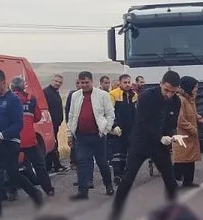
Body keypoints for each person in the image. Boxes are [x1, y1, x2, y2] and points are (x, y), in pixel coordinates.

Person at [107, 70, 182, 220]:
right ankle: (114, 215)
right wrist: (159, 136)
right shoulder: (147, 96)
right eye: (166, 90)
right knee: (127, 179)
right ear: (161, 83)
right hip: (140, 142)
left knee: (170, 180)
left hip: (159, 146)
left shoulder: (176, 101)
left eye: (173, 91)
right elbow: (142, 122)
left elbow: (171, 122)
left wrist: (170, 137)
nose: (169, 94)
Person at [0, 69, 44, 220]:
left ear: (3, 82)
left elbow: (18, 124)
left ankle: (35, 193)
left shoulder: (13, 100)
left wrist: (1, 136)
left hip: (9, 142)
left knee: (12, 174)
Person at [65, 71, 115, 200]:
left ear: (92, 81)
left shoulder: (102, 95)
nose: (84, 85)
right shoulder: (75, 96)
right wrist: (70, 134)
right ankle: (83, 191)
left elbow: (110, 114)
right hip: (81, 136)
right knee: (82, 163)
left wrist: (106, 129)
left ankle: (108, 185)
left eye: (86, 82)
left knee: (102, 163)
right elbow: (71, 116)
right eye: (82, 83)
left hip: (98, 135)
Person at [9, 76, 54, 197]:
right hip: (29, 139)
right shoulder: (31, 99)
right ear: (24, 86)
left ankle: (12, 191)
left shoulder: (7, 100)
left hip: (12, 139)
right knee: (39, 165)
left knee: (11, 167)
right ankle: (48, 189)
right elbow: (38, 117)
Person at [172, 76, 203, 188]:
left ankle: (188, 181)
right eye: (195, 87)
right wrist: (192, 128)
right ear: (189, 87)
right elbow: (180, 119)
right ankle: (172, 182)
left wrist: (198, 117)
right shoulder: (181, 100)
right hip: (183, 135)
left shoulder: (190, 99)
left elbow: (192, 113)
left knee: (190, 159)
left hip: (190, 135)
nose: (196, 89)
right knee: (181, 160)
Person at [107, 73, 137, 185]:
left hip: (130, 129)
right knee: (117, 153)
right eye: (125, 82)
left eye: (129, 82)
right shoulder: (113, 94)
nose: (128, 84)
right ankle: (117, 175)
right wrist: (114, 126)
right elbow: (110, 112)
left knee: (126, 153)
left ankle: (124, 174)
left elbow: (136, 113)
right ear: (120, 83)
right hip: (117, 129)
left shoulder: (134, 95)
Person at [42, 73, 67, 173]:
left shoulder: (55, 92)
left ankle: (50, 165)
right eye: (56, 81)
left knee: (53, 143)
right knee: (52, 144)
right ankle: (56, 165)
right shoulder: (46, 92)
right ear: (52, 80)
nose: (57, 83)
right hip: (49, 124)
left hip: (56, 124)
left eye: (60, 82)